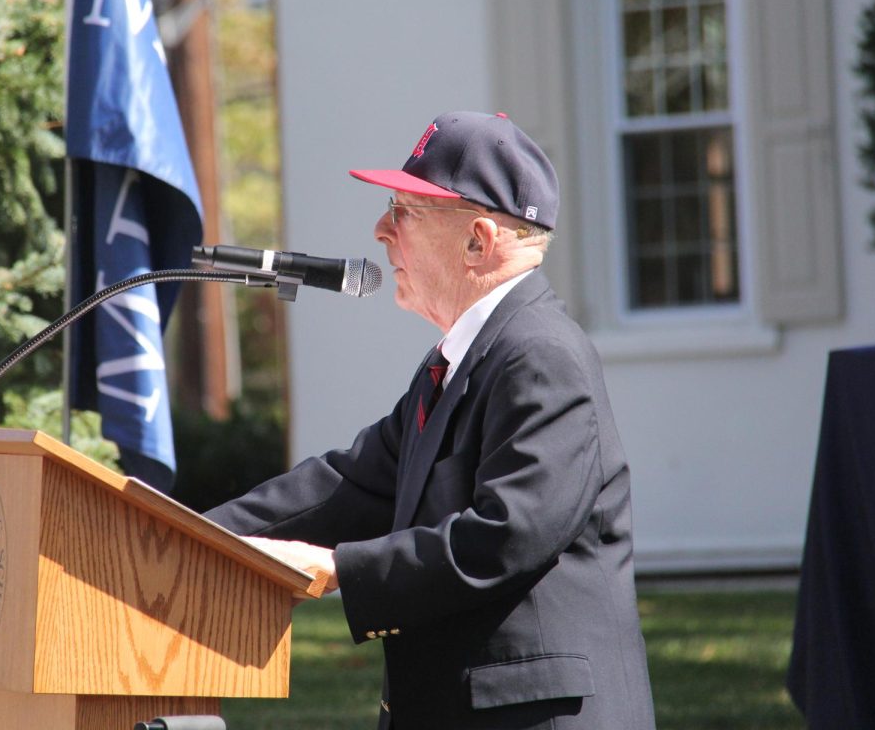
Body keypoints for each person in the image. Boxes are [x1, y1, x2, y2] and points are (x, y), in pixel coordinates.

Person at [204, 111, 656, 729]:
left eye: (405, 212)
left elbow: (508, 533)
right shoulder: (461, 358)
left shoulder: (541, 354)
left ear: (478, 241)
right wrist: (188, 537)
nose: (381, 230)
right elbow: (351, 485)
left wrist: (343, 569)